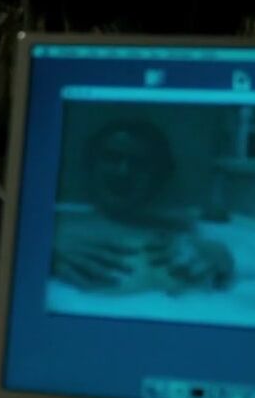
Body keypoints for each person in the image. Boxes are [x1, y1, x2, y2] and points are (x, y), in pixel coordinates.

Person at [52, 119, 235, 295]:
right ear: (90, 164)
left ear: (159, 175)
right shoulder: (52, 227)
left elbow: (225, 282)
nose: (123, 171)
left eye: (139, 163)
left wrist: (221, 259)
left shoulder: (188, 235)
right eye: (112, 158)